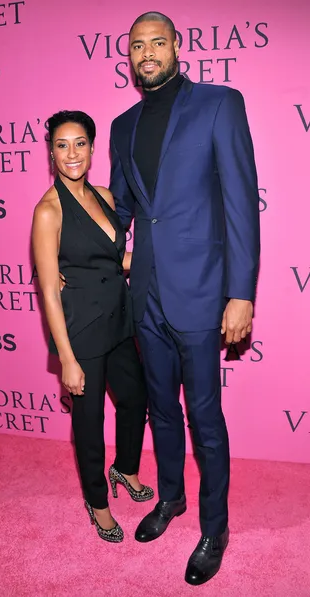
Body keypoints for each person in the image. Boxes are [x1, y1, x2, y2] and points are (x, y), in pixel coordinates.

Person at [109, 12, 260, 583]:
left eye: (157, 42)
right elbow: (123, 208)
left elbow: (242, 202)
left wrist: (240, 294)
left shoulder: (220, 104)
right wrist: (96, 256)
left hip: (201, 291)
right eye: (136, 46)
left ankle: (214, 526)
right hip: (144, 291)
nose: (147, 53)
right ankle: (170, 496)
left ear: (177, 46)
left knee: (205, 417)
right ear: (128, 56)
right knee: (163, 411)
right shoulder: (122, 125)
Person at [32, 110, 154, 544]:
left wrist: (160, 262)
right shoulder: (48, 211)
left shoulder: (103, 195)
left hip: (119, 319)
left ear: (91, 147)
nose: (71, 153)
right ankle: (98, 502)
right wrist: (66, 358)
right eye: (62, 145)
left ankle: (125, 467)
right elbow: (49, 291)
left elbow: (115, 258)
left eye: (79, 143)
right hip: (81, 329)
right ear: (51, 152)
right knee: (88, 420)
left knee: (135, 396)